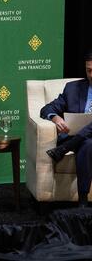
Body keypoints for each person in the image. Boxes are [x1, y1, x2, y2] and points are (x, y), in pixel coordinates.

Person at [41, 50, 92, 207]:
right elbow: (47, 108)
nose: (91, 74)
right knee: (88, 144)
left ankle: (63, 149)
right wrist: (55, 117)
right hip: (80, 138)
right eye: (89, 70)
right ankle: (82, 201)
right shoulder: (72, 88)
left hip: (73, 141)